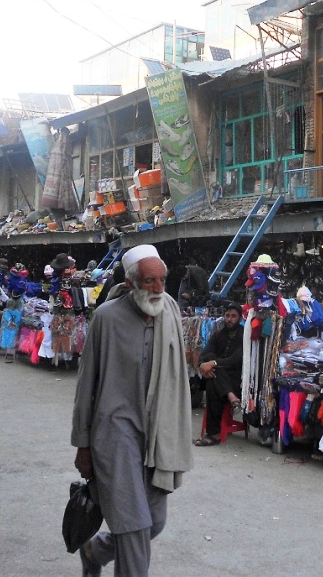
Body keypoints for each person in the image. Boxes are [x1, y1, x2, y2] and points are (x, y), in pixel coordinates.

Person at [71, 244, 192, 577]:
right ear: (130, 283)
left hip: (157, 433)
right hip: (115, 433)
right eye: (149, 281)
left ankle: (95, 551)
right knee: (135, 526)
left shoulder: (169, 310)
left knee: (153, 521)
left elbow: (176, 375)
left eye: (162, 281)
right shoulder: (106, 319)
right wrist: (83, 444)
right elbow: (86, 387)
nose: (157, 288)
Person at [193, 303, 244, 447]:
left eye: (233, 316)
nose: (229, 319)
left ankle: (213, 433)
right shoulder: (218, 334)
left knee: (214, 374)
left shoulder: (243, 335)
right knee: (213, 371)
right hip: (219, 379)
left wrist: (213, 363)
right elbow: (203, 355)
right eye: (227, 316)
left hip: (236, 380)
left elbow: (235, 360)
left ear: (239, 318)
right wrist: (204, 364)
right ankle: (232, 399)